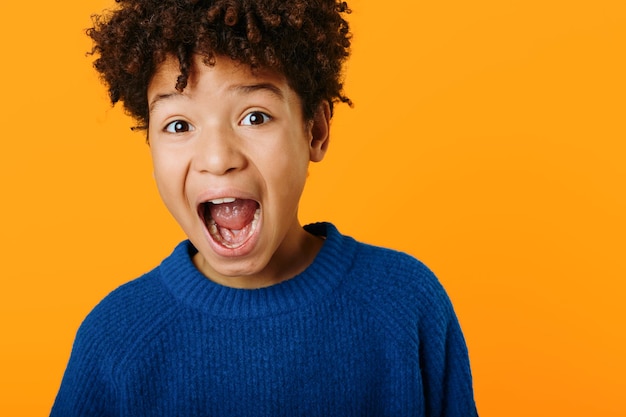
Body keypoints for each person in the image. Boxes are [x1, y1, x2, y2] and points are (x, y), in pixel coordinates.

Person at [51, 0, 478, 415]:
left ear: (315, 131)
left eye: (254, 117)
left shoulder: (406, 305)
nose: (218, 158)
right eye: (179, 125)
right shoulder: (115, 338)